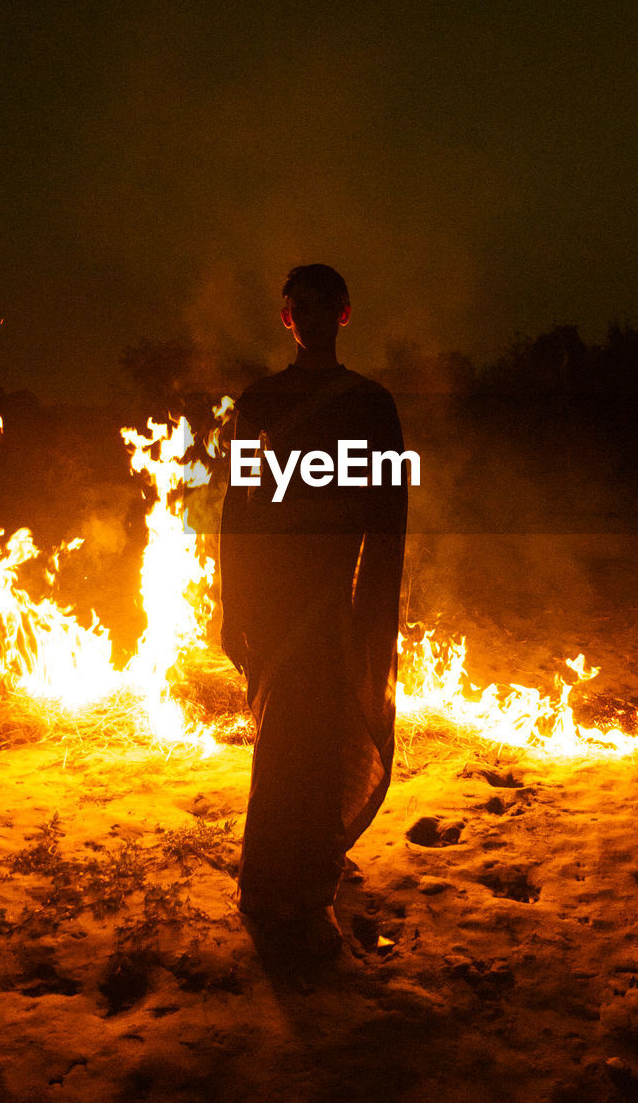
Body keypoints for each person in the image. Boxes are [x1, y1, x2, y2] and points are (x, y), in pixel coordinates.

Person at [219, 264, 408, 957]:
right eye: (301, 305)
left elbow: (386, 515)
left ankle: (312, 885)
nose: (313, 316)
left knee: (327, 740)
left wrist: (373, 606)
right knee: (280, 743)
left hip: (337, 594)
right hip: (275, 595)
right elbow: (238, 507)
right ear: (287, 318)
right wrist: (230, 599)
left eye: (324, 305)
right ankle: (269, 886)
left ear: (344, 315)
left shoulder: (369, 404)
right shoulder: (260, 401)